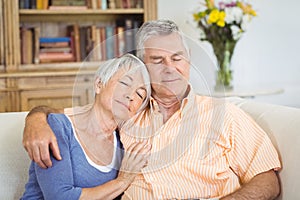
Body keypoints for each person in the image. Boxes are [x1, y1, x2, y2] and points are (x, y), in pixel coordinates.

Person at [23, 20, 281, 200]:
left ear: (188, 58)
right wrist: (36, 118)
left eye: (177, 57)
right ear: (143, 65)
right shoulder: (128, 110)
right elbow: (75, 117)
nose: (170, 68)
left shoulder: (224, 115)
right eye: (157, 60)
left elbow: (267, 179)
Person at [21, 54, 152, 199]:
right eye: (125, 83)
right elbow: (59, 197)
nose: (131, 95)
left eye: (140, 94)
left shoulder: (124, 144)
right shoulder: (58, 126)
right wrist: (122, 181)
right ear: (98, 85)